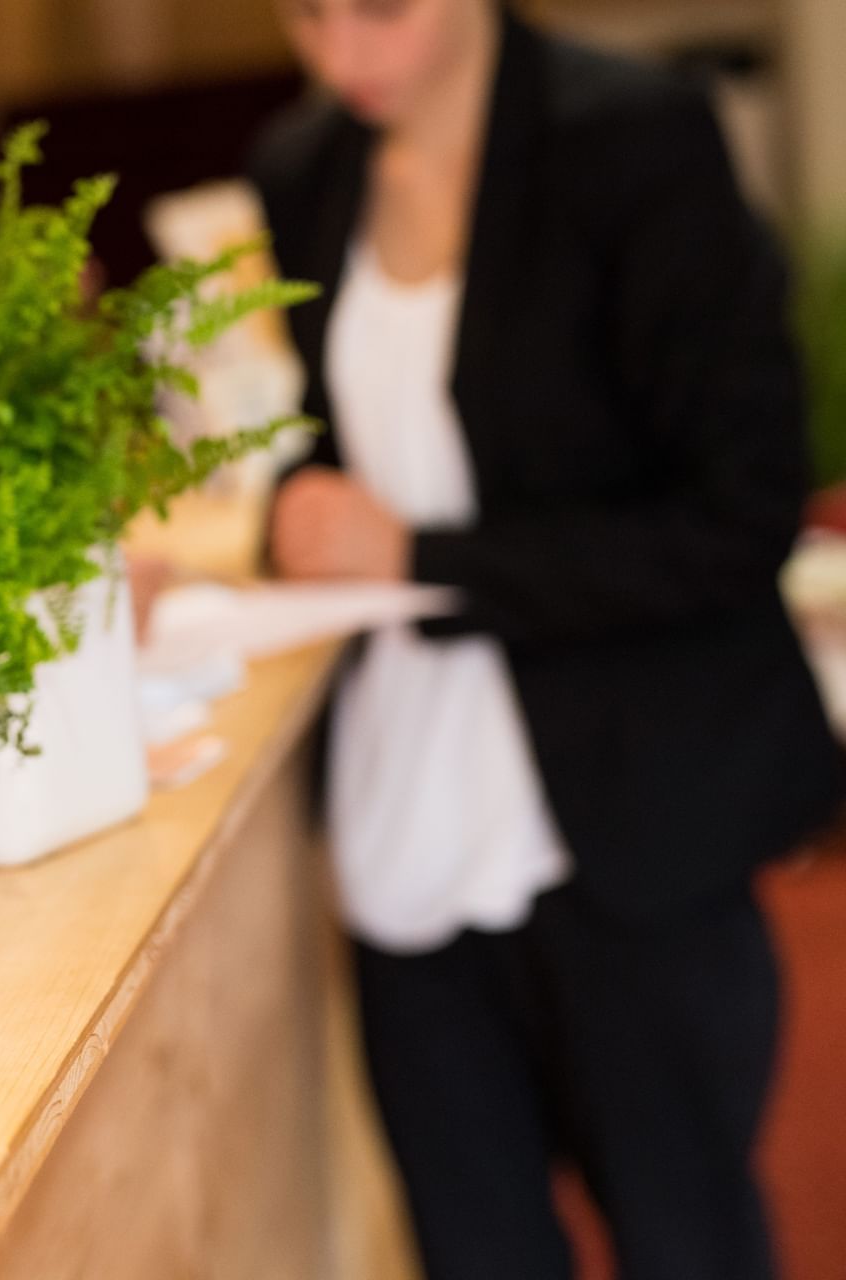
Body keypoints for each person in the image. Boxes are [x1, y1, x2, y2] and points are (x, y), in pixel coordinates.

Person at [251, 2, 840, 1276]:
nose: (340, 54)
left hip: (628, 810)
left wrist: (423, 556)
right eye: (302, 11)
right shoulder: (304, 169)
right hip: (407, 813)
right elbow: (355, 438)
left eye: (378, 10)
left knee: (688, 1239)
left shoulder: (632, 141)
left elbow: (739, 512)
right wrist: (284, 507)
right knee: (475, 1248)